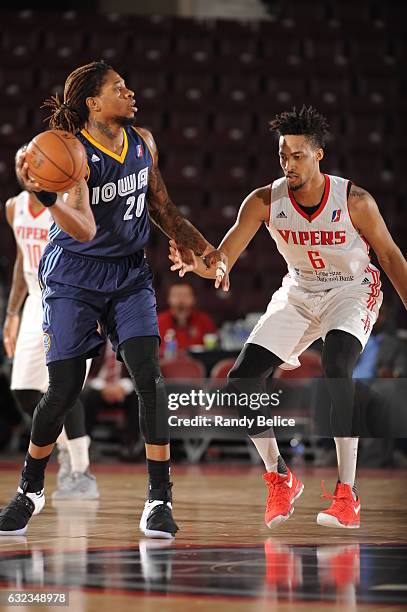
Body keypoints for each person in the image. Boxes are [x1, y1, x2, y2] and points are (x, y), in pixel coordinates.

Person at [0, 61, 224, 538]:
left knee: (151, 378)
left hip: (128, 275)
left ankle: (159, 498)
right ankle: (30, 489)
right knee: (61, 390)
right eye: (119, 88)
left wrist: (207, 253)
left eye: (127, 85)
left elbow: (163, 209)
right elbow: (81, 227)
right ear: (93, 103)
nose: (130, 91)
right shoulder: (72, 153)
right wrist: (46, 193)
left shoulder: (143, 142)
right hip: (73, 278)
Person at [170, 105, 407, 529]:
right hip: (299, 290)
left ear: (319, 155)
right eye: (283, 155)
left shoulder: (355, 201)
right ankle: (280, 477)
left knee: (336, 368)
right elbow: (224, 258)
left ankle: (347, 495)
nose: (289, 163)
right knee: (240, 380)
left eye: (298, 155)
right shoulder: (264, 201)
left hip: (350, 290)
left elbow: (390, 256)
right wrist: (204, 265)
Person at [3, 145, 99, 503]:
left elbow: (90, 249)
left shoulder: (64, 201)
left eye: (30, 159)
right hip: (34, 301)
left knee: (63, 386)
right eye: (19, 161)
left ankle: (81, 468)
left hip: (70, 301)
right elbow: (19, 261)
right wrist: (12, 314)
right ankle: (63, 445)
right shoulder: (14, 207)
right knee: (24, 390)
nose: (23, 165)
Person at [82, 340, 142, 462]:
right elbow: (86, 371)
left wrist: (122, 387)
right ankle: (84, 443)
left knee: (138, 397)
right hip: (98, 386)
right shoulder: (94, 341)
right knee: (87, 396)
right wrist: (104, 387)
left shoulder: (132, 340)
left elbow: (139, 371)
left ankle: (130, 445)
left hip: (123, 386)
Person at [158, 282, 217, 357]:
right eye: (176, 295)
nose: (181, 300)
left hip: (199, 365)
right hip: (166, 366)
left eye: (186, 295)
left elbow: (214, 350)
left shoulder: (205, 321)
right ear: (168, 299)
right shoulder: (158, 322)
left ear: (194, 299)